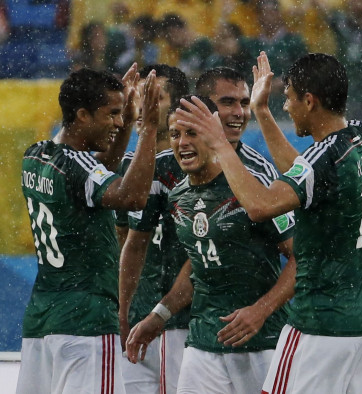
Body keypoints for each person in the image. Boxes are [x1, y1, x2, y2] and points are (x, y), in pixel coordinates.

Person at [173, 52, 362, 393]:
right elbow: (307, 175)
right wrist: (261, 112)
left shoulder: (322, 158)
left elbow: (260, 206)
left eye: (287, 98)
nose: (286, 107)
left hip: (318, 325)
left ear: (310, 101)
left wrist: (219, 143)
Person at [126, 95, 296, 393]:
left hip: (261, 342)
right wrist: (158, 316)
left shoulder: (255, 189)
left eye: (192, 132)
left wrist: (259, 311)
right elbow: (199, 266)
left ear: (215, 134)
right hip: (203, 341)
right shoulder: (178, 197)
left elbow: (301, 258)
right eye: (176, 134)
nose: (182, 143)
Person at [16, 65, 160, 393]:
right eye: (111, 114)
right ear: (82, 115)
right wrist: (148, 129)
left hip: (42, 319)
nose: (120, 122)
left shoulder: (35, 155)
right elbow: (133, 197)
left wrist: (122, 118)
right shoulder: (77, 166)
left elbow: (98, 171)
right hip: (86, 319)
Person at [118, 64, 190, 394]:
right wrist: (122, 309)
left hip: (182, 322)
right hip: (135, 319)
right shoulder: (123, 171)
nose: (145, 106)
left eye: (155, 97)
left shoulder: (199, 170)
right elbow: (121, 244)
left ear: (177, 107)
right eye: (139, 98)